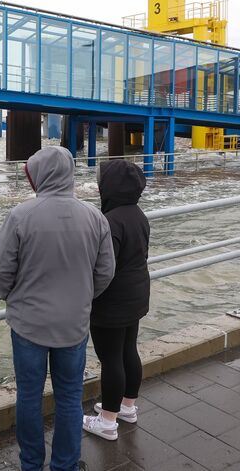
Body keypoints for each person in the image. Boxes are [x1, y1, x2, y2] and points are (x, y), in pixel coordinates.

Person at [0, 146, 116, 471]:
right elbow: (105, 272)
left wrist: (12, 298)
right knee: (70, 398)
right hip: (73, 325)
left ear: (40, 175)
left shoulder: (20, 216)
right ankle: (65, 465)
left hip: (28, 324)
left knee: (29, 397)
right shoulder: (94, 217)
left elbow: (1, 269)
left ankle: (31, 464)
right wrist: (82, 298)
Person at [83, 159, 150, 441]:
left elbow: (104, 266)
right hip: (136, 293)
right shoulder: (138, 215)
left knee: (110, 358)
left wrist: (89, 294)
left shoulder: (110, 221)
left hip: (112, 300)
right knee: (128, 351)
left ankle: (108, 421)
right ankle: (127, 406)